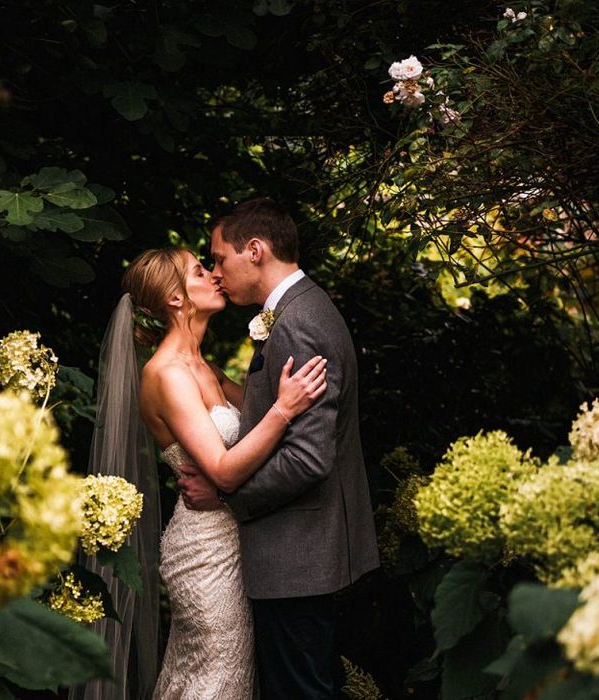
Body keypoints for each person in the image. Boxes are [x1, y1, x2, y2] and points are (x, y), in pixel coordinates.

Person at [88, 245, 328, 700]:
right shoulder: (167, 374)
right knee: (215, 676)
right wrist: (285, 407)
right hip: (203, 551)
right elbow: (222, 470)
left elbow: (252, 428)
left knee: (223, 674)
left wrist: (279, 401)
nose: (216, 276)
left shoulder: (204, 367)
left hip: (236, 536)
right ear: (176, 299)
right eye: (200, 271)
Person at [179, 198, 380, 699]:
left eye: (220, 259)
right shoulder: (299, 308)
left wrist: (228, 497)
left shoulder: (297, 322)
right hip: (306, 551)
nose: (218, 272)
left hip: (299, 553)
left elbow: (308, 458)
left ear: (255, 250)